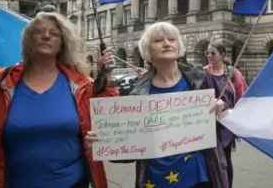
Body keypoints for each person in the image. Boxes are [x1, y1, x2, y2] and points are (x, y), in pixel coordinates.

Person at [0, 12, 119, 188]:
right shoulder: (3, 81)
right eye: (40, 31)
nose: (46, 36)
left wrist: (106, 77)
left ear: (62, 44)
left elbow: (109, 120)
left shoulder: (80, 84)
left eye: (54, 33)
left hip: (73, 183)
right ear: (29, 39)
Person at [86, 22, 230, 188]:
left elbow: (225, 121)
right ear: (148, 50)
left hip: (199, 178)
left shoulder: (200, 78)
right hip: (155, 179)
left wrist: (221, 108)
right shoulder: (139, 92)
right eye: (159, 40)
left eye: (172, 39)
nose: (167, 43)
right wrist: (103, 140)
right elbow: (130, 148)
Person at [203, 41, 248, 188]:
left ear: (222, 55)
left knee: (225, 161)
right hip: (208, 125)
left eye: (213, 53)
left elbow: (243, 95)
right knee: (210, 160)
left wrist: (239, 117)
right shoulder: (203, 73)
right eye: (207, 53)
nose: (209, 56)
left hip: (226, 125)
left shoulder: (233, 73)